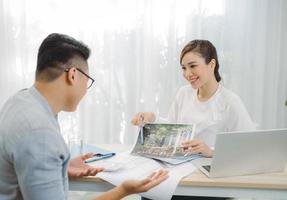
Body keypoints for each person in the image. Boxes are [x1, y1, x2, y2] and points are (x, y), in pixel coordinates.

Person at [0, 33, 168, 200]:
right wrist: (123, 190)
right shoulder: (40, 133)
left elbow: (22, 163)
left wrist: (60, 168)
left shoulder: (20, 100)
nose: (86, 89)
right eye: (87, 81)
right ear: (72, 75)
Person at [132, 40, 255, 200]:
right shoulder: (184, 93)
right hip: (180, 171)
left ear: (211, 64)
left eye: (192, 66)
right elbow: (173, 127)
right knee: (150, 191)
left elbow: (248, 149)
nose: (187, 74)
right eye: (184, 68)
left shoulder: (230, 102)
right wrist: (152, 119)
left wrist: (210, 152)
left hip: (208, 180)